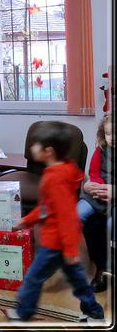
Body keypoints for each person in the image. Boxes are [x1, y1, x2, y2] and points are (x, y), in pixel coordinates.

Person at [4, 122, 104, 323]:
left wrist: (68, 250)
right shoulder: (64, 171)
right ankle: (94, 313)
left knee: (33, 277)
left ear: (48, 151)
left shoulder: (55, 179)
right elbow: (47, 207)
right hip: (60, 243)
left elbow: (67, 217)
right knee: (77, 280)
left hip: (55, 243)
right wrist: (26, 221)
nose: (31, 148)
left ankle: (23, 312)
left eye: (35, 145)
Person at [77, 112, 114, 292]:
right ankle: (98, 266)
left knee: (110, 225)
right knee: (78, 215)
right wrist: (94, 187)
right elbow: (94, 173)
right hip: (97, 194)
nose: (112, 138)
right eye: (108, 134)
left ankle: (108, 270)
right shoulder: (100, 150)